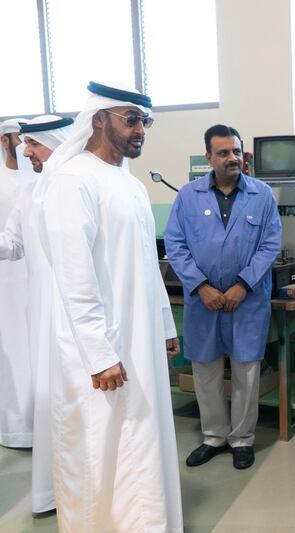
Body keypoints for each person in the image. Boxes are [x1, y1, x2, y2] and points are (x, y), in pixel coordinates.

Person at [36, 81, 183, 532]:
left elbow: (147, 263)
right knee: (100, 448)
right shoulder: (72, 180)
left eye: (145, 121)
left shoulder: (131, 184)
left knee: (142, 437)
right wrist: (99, 355)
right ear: (99, 118)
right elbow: (74, 277)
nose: (140, 130)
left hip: (138, 340)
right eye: (131, 119)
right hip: (98, 348)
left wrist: (164, 326)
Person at [165, 124, 282, 470]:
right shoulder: (188, 197)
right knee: (206, 369)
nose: (231, 158)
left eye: (236, 152)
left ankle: (242, 439)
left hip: (246, 300)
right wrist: (201, 286)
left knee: (246, 370)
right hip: (204, 301)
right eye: (223, 153)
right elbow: (175, 244)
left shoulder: (262, 196)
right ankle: (214, 436)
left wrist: (242, 285)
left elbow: (270, 245)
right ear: (209, 158)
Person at [0, 115, 73, 515]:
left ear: (57, 144)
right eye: (24, 144)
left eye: (34, 145)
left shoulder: (80, 188)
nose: (26, 153)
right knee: (52, 407)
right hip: (43, 322)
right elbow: (12, 244)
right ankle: (54, 492)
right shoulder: (31, 193)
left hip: (78, 324)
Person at [0, 118, 31, 450]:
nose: (24, 145)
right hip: (6, 286)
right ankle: (14, 429)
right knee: (13, 356)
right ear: (3, 141)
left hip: (38, 284)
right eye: (17, 138)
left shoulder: (39, 179)